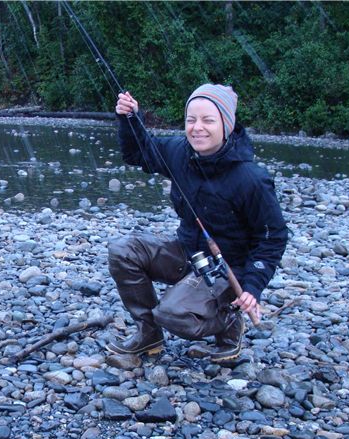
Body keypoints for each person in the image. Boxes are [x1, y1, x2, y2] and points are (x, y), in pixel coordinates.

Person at [107, 83, 288, 363]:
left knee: (170, 313)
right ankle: (148, 334)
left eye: (208, 120)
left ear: (226, 124)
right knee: (123, 250)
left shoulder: (251, 178)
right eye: (191, 120)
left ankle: (228, 322)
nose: (197, 128)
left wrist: (252, 286)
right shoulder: (180, 152)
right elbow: (138, 153)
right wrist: (130, 118)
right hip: (188, 253)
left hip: (230, 270)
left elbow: (273, 237)